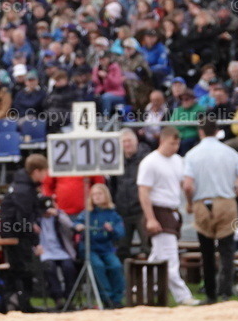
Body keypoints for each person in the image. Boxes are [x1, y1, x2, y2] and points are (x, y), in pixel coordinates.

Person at [183, 115, 238, 304]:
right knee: (227, 250)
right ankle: (226, 293)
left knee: (206, 251)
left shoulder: (192, 154)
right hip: (225, 202)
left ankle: (211, 294)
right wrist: (237, 193)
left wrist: (189, 203)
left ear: (201, 132)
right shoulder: (230, 153)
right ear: (217, 131)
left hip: (202, 202)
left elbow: (188, 185)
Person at [137, 127, 200, 306]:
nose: (175, 146)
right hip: (158, 210)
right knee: (170, 258)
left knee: (157, 257)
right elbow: (143, 191)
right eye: (172, 143)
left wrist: (189, 201)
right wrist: (150, 218)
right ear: (162, 141)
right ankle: (183, 296)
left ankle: (139, 289)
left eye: (177, 143)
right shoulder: (150, 162)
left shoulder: (178, 161)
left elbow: (182, 184)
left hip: (172, 210)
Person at [0, 154, 49, 312]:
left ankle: (19, 303)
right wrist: (35, 241)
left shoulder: (23, 185)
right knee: (23, 269)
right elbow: (24, 218)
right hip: (15, 234)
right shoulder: (24, 189)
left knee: (21, 269)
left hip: (14, 231)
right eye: (44, 171)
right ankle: (21, 305)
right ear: (36, 171)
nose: (46, 175)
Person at [74, 183, 125, 308]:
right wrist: (78, 226)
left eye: (99, 194)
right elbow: (76, 224)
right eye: (94, 195)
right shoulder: (86, 213)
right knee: (98, 266)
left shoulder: (113, 214)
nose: (96, 197)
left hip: (106, 249)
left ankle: (117, 298)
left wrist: (112, 230)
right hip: (90, 249)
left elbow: (120, 233)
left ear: (106, 195)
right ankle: (106, 298)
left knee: (116, 266)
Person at [110, 129, 151, 259]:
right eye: (124, 142)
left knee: (148, 247)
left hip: (141, 210)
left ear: (136, 141)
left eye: (129, 141)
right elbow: (113, 185)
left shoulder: (146, 160)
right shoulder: (115, 161)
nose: (127, 144)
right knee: (121, 248)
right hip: (122, 211)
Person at [37, 195, 77, 310]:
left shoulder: (59, 216)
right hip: (45, 251)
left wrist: (59, 215)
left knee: (68, 267)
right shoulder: (37, 219)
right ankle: (57, 297)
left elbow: (71, 227)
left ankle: (69, 297)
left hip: (62, 251)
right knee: (49, 267)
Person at [169, 88, 201, 154]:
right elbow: (171, 124)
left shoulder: (199, 109)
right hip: (178, 137)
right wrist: (184, 123)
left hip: (192, 137)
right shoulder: (178, 110)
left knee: (184, 143)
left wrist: (181, 123)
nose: (184, 101)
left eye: (187, 99)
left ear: (193, 99)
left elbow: (197, 124)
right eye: (182, 99)